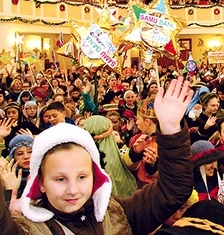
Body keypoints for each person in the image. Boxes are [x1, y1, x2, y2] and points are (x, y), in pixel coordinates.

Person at [0, 77, 195, 234]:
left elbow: (174, 189)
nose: (73, 190)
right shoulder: (25, 229)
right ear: (41, 182)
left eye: (82, 177)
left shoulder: (117, 213)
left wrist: (170, 130)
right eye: (60, 179)